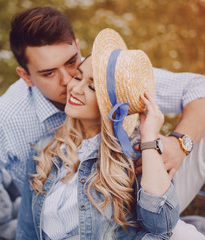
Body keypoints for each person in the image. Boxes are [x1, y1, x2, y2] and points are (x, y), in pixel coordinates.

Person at [0, 6, 205, 240]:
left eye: (73, 65)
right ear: (25, 76)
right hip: (78, 220)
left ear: (79, 47)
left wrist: (178, 142)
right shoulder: (4, 122)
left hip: (144, 193)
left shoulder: (103, 74)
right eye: (48, 74)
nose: (69, 83)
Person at [18, 29, 179, 239]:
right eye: (78, 77)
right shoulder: (45, 149)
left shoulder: (137, 155)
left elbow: (162, 225)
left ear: (111, 105)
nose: (75, 88)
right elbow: (27, 231)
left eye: (92, 88)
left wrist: (149, 139)